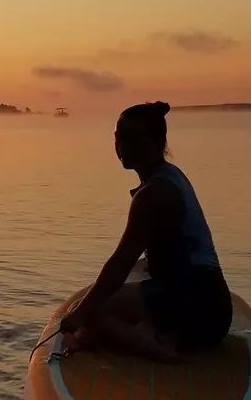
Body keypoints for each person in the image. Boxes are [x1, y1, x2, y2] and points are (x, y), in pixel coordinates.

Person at [60, 101, 232, 360]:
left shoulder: (155, 194)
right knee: (114, 292)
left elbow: (119, 264)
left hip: (201, 310)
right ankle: (148, 331)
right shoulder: (170, 175)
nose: (121, 146)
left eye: (131, 139)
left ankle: (161, 350)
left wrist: (79, 313)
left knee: (91, 310)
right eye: (118, 137)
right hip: (207, 303)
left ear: (156, 141)